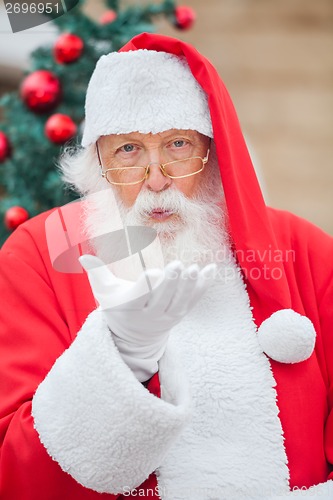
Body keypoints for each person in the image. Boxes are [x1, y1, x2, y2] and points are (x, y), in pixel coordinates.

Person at [0, 32, 332, 500]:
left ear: (213, 153)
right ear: (97, 163)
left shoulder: (304, 249)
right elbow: (16, 472)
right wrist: (121, 356)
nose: (156, 181)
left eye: (177, 145)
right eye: (128, 150)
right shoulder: (38, 252)